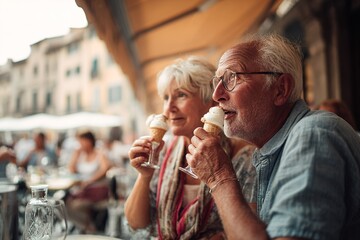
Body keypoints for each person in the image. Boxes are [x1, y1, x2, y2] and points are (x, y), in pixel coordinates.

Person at [186, 34, 360, 240]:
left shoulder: (314, 134)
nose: (217, 95)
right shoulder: (268, 151)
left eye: (232, 77)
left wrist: (219, 178)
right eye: (218, 81)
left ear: (280, 89)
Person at [125, 56, 257, 239]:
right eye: (165, 98)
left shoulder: (243, 158)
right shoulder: (162, 151)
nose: (168, 108)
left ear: (211, 101)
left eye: (181, 95)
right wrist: (144, 176)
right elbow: (136, 223)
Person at [66, 130, 112, 233]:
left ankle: (87, 227)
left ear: (90, 141)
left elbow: (105, 169)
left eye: (82, 141)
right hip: (83, 189)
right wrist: (75, 155)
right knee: (64, 203)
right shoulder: (80, 154)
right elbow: (71, 169)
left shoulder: (99, 152)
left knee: (73, 206)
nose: (80, 144)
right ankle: (87, 226)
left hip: (97, 189)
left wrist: (90, 181)